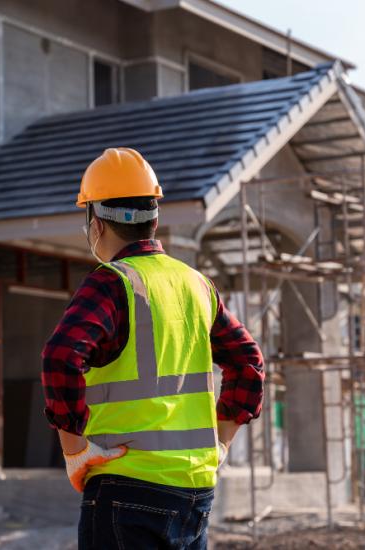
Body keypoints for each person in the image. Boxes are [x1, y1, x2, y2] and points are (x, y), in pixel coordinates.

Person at [41, 148, 265, 549]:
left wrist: (74, 451)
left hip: (127, 489)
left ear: (95, 222)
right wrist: (221, 443)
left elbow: (61, 357)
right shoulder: (196, 284)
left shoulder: (112, 282)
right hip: (195, 492)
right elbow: (249, 363)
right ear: (155, 218)